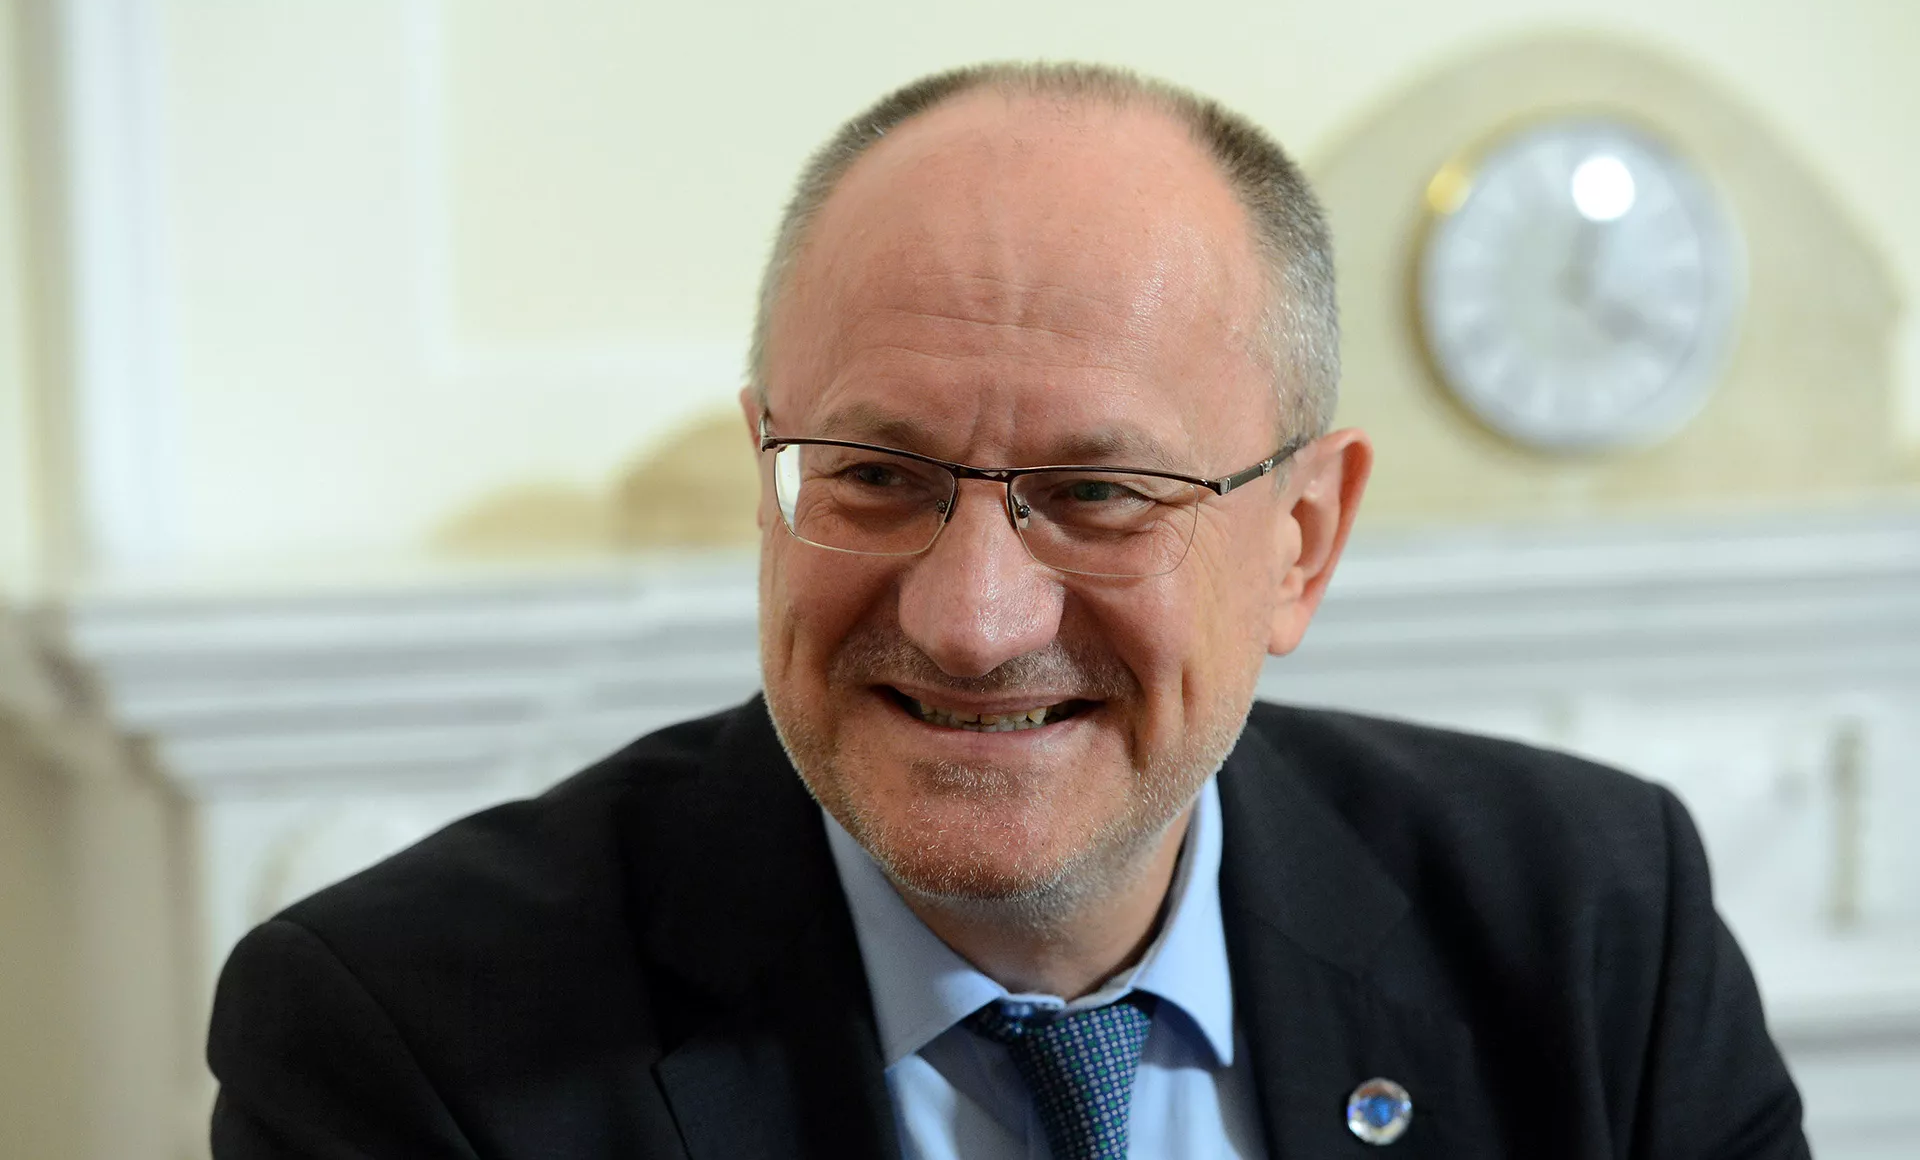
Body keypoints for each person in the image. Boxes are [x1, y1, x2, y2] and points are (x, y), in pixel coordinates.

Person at [207, 63, 1809, 1159]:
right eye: (874, 475)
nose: (972, 620)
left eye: (1100, 493)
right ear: (767, 476)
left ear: (1302, 542)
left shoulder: (1594, 928)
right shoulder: (409, 1037)